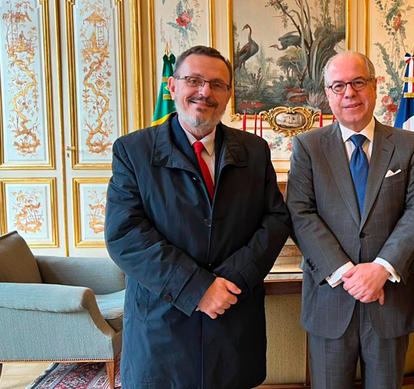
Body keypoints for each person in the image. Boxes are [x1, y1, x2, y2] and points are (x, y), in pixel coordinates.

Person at [105, 45, 291, 389]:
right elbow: (125, 234)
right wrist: (198, 288)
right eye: (194, 80)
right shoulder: (133, 150)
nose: (205, 92)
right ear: (172, 87)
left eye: (217, 84)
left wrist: (229, 282)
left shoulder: (254, 150)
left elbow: (276, 219)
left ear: (228, 95)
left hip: (233, 314)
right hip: (162, 325)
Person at [286, 51, 414, 389]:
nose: (348, 93)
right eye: (338, 86)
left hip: (389, 299)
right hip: (330, 298)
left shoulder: (408, 145)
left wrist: (381, 267)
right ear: (327, 95)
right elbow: (300, 213)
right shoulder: (308, 147)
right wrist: (346, 273)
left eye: (357, 83)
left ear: (374, 86)